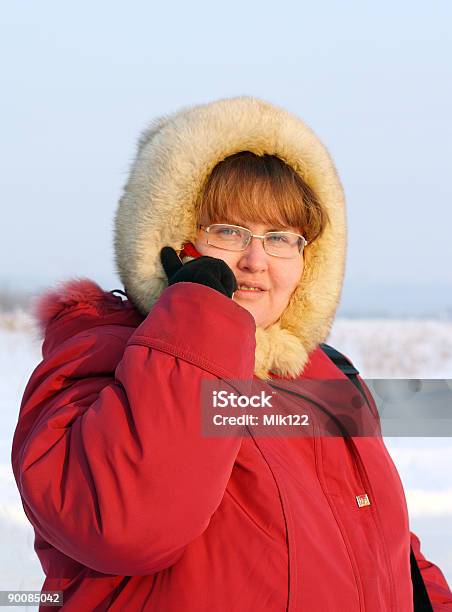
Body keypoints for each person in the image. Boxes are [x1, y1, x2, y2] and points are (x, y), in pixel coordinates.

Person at [11, 96, 451, 611]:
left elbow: (384, 542)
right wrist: (198, 317)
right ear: (167, 238)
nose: (256, 260)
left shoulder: (324, 375)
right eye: (227, 230)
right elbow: (125, 525)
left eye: (283, 237)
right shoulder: (96, 358)